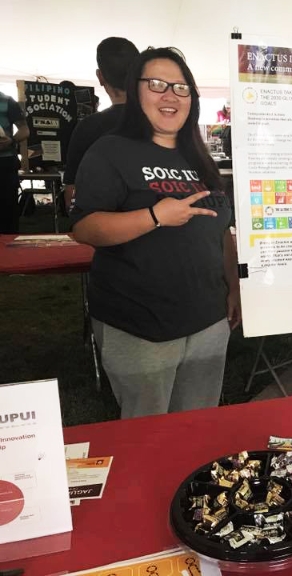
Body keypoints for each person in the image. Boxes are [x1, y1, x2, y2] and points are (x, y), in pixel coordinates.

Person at [71, 47, 239, 419]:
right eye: (158, 84)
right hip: (140, 325)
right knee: (146, 433)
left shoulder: (198, 156)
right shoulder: (111, 151)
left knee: (198, 426)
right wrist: (154, 216)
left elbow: (219, 227)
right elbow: (83, 228)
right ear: (136, 90)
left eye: (181, 87)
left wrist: (233, 286)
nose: (170, 95)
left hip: (207, 321)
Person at [63, 37, 139, 211]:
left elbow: (71, 196)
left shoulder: (87, 127)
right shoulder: (162, 123)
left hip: (102, 226)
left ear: (100, 76)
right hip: (160, 224)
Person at [0, 91, 28, 233]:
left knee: (7, 213)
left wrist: (11, 141)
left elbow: (24, 130)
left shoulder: (7, 101)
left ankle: (9, 248)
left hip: (4, 164)